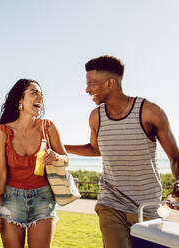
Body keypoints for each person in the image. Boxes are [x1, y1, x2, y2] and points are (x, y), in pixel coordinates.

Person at [65, 55, 179, 248]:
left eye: (91, 84)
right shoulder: (96, 117)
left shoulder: (149, 112)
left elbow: (175, 157)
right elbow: (95, 149)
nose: (87, 90)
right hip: (111, 202)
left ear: (110, 83)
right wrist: (60, 146)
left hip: (147, 205)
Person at [0, 79, 69, 248]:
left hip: (43, 199)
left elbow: (66, 159)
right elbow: (0, 175)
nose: (40, 97)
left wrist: (56, 156)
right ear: (20, 99)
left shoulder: (48, 127)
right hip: (10, 200)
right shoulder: (3, 131)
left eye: (41, 94)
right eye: (34, 93)